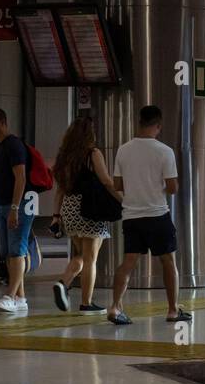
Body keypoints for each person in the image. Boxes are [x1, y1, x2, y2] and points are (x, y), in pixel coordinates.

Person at [106, 105, 190, 326]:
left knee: (128, 262)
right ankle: (173, 310)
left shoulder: (123, 150)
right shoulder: (165, 151)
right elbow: (172, 188)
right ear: (158, 125)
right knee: (168, 261)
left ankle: (115, 306)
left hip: (132, 216)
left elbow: (117, 184)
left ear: (139, 122)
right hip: (157, 214)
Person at [50, 116, 121, 312]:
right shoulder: (92, 153)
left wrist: (56, 216)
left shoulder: (64, 157)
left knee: (82, 255)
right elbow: (106, 181)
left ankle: (63, 283)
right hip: (90, 208)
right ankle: (85, 302)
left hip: (70, 208)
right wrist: (123, 200)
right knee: (91, 258)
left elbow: (60, 190)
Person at [0, 107, 36, 313]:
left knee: (17, 251)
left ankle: (11, 295)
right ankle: (20, 297)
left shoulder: (13, 145)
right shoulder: (0, 148)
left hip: (18, 206)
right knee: (7, 253)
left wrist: (15, 207)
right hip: (3, 206)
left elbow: (20, 178)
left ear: (3, 123)